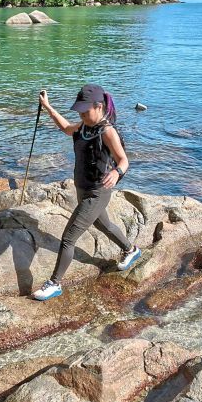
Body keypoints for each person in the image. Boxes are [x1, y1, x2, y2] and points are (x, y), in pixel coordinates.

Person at [31, 84, 142, 301]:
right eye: (79, 111)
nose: (82, 114)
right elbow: (65, 128)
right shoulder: (84, 127)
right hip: (82, 188)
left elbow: (124, 160)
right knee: (104, 225)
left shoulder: (107, 131)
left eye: (85, 111)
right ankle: (131, 250)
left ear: (98, 106)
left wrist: (117, 173)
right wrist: (47, 107)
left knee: (68, 238)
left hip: (97, 192)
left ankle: (54, 283)